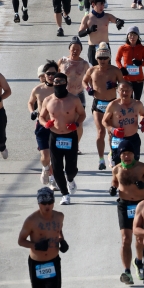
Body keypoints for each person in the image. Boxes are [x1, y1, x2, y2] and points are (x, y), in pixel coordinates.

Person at [17, 186, 68, 288]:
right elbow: (21, 240)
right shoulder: (31, 220)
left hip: (53, 262)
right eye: (44, 203)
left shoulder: (60, 216)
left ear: (53, 202)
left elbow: (59, 232)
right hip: (37, 264)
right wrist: (35, 245)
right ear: (38, 203)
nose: (47, 206)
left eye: (50, 202)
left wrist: (62, 241)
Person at [39, 72, 86, 206]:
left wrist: (76, 124)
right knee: (57, 168)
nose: (58, 84)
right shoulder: (48, 100)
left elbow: (82, 114)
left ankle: (70, 179)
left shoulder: (74, 99)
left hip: (70, 136)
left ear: (66, 84)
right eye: (56, 82)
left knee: (70, 169)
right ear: (53, 83)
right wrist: (45, 124)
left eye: (61, 82)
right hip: (55, 137)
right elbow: (41, 117)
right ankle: (65, 194)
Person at [109, 140, 144, 284]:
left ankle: (139, 262)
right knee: (126, 239)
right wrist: (113, 188)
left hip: (141, 205)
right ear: (120, 155)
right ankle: (127, 272)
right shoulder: (117, 169)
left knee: (140, 238)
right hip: (124, 205)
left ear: (134, 154)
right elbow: (114, 181)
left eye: (129, 153)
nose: (127, 156)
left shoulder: (143, 168)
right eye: (124, 154)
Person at [83, 41, 124, 169]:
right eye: (100, 58)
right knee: (100, 132)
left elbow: (124, 87)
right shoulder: (92, 70)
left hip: (112, 104)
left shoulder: (115, 71)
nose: (102, 60)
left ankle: (111, 153)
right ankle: (101, 159)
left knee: (111, 133)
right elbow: (84, 82)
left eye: (105, 58)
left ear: (109, 58)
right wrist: (88, 89)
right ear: (96, 58)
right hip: (98, 104)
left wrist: (115, 85)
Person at [102, 79, 144, 166]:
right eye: (122, 90)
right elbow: (104, 121)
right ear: (118, 91)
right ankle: (111, 156)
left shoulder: (137, 104)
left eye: (127, 90)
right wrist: (113, 130)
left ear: (132, 91)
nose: (125, 93)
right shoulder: (113, 105)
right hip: (118, 139)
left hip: (133, 138)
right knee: (118, 165)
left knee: (134, 164)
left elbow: (143, 114)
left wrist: (143, 121)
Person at [29, 60, 57, 186]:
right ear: (44, 75)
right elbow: (30, 102)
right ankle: (45, 168)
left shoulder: (61, 90)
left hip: (57, 126)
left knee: (55, 155)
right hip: (42, 125)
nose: (51, 76)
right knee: (45, 156)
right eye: (48, 73)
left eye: (53, 73)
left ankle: (53, 180)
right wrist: (32, 112)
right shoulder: (38, 89)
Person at [77, 0, 124, 65]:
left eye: (103, 4)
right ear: (93, 4)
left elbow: (116, 20)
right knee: (94, 70)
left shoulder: (107, 16)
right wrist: (88, 30)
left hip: (105, 47)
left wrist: (119, 22)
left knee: (107, 69)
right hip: (93, 47)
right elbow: (80, 33)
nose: (102, 7)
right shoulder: (87, 18)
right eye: (100, 4)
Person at [116, 26, 144, 99]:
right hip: (127, 79)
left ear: (138, 36)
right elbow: (117, 60)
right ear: (127, 36)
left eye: (135, 35)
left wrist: (140, 63)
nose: (132, 37)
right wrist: (121, 68)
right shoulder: (123, 48)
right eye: (130, 35)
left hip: (139, 80)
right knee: (128, 100)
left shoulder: (142, 48)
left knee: (137, 101)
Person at [59, 38, 88, 109]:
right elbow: (56, 77)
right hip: (65, 93)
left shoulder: (84, 64)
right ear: (69, 49)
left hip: (79, 93)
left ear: (81, 51)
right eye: (73, 48)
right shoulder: (62, 61)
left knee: (80, 117)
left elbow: (89, 78)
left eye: (78, 49)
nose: (75, 51)